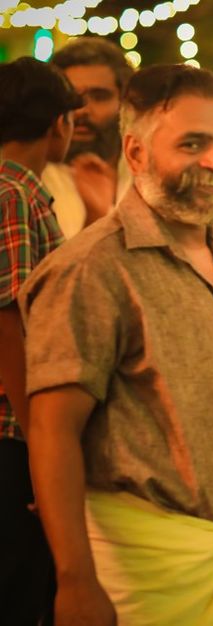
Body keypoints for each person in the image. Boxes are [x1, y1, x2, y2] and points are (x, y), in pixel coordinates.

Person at [20, 63, 213, 626]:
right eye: (192, 144)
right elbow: (52, 431)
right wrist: (76, 581)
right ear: (135, 153)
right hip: (145, 576)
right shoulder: (92, 269)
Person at [0, 56, 80, 626]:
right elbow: (9, 323)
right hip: (12, 433)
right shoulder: (13, 195)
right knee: (23, 590)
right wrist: (40, 446)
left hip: (20, 431)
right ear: (59, 123)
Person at [43, 37, 134, 237]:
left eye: (99, 96)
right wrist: (94, 216)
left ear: (124, 102)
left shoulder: (146, 172)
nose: (82, 110)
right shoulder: (35, 181)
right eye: (71, 97)